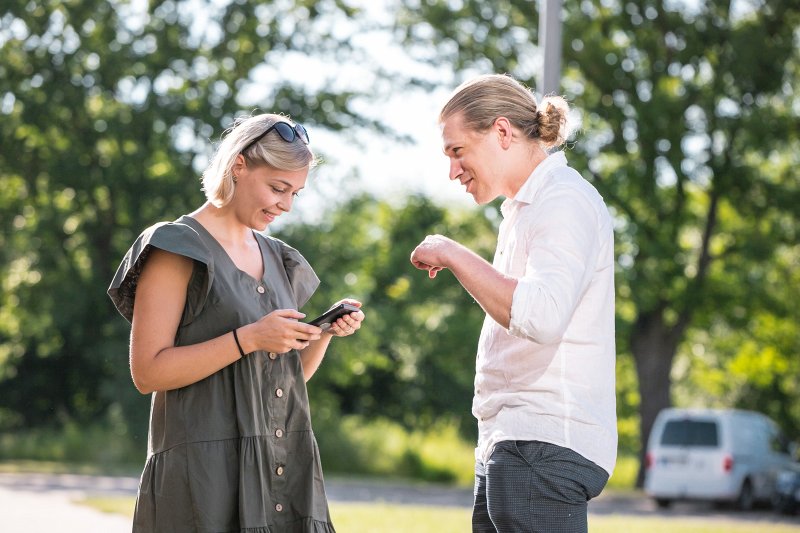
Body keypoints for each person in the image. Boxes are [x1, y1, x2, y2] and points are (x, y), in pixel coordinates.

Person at [108, 113, 364, 532]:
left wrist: (321, 335)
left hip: (283, 473)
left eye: (295, 193)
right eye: (278, 188)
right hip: (204, 482)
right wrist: (248, 338)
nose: (286, 204)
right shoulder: (176, 247)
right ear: (238, 166)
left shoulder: (280, 257)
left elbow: (285, 379)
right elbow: (148, 371)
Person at [410, 74, 617, 533]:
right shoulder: (526, 209)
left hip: (541, 446)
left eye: (457, 151)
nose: (452, 171)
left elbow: (540, 316)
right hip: (514, 444)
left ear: (502, 132)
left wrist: (452, 252)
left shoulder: (563, 200)